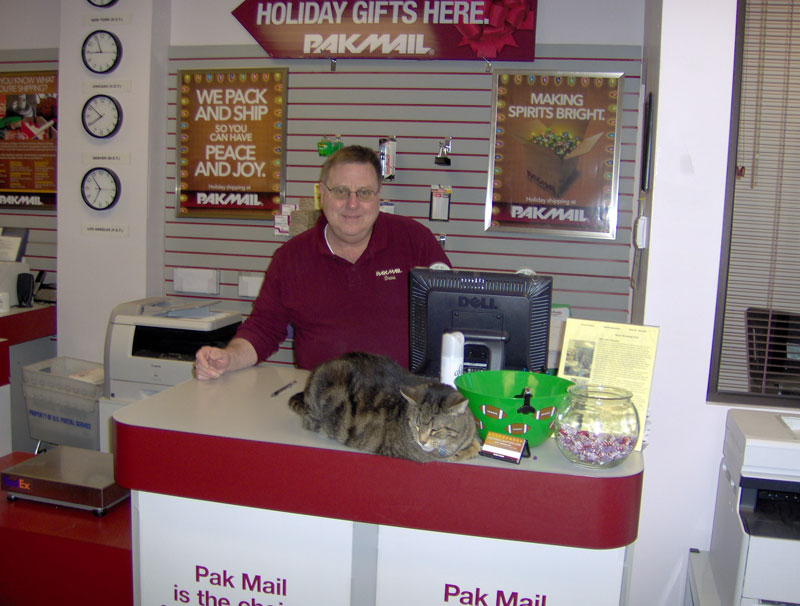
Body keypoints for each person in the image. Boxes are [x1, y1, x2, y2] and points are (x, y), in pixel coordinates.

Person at [194, 144, 451, 380]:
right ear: (321, 194)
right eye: (340, 191)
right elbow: (263, 329)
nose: (353, 204)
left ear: (378, 196)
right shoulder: (291, 257)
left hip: (403, 402)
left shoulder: (415, 241)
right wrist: (228, 359)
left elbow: (451, 317)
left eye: (364, 192)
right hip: (325, 405)